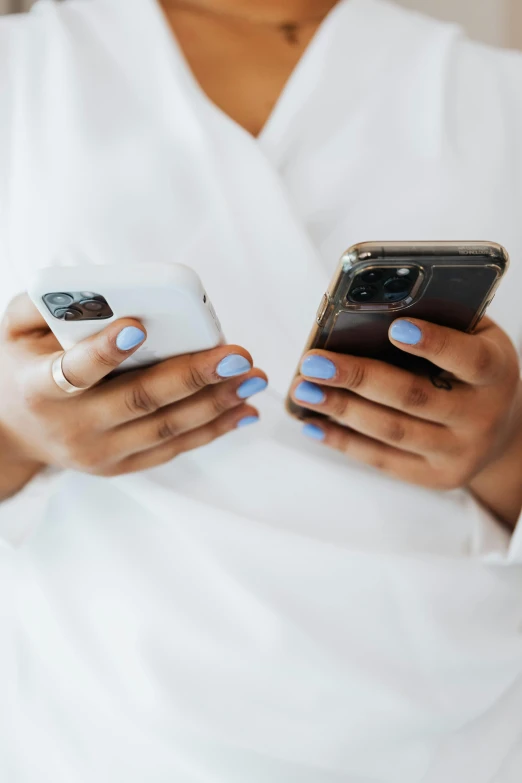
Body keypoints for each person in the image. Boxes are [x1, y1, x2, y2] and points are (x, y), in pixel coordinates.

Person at [0, 0, 521, 780]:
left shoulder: (498, 94)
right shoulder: (22, 72)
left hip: (449, 728)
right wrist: (14, 436)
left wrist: (504, 451)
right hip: (104, 729)